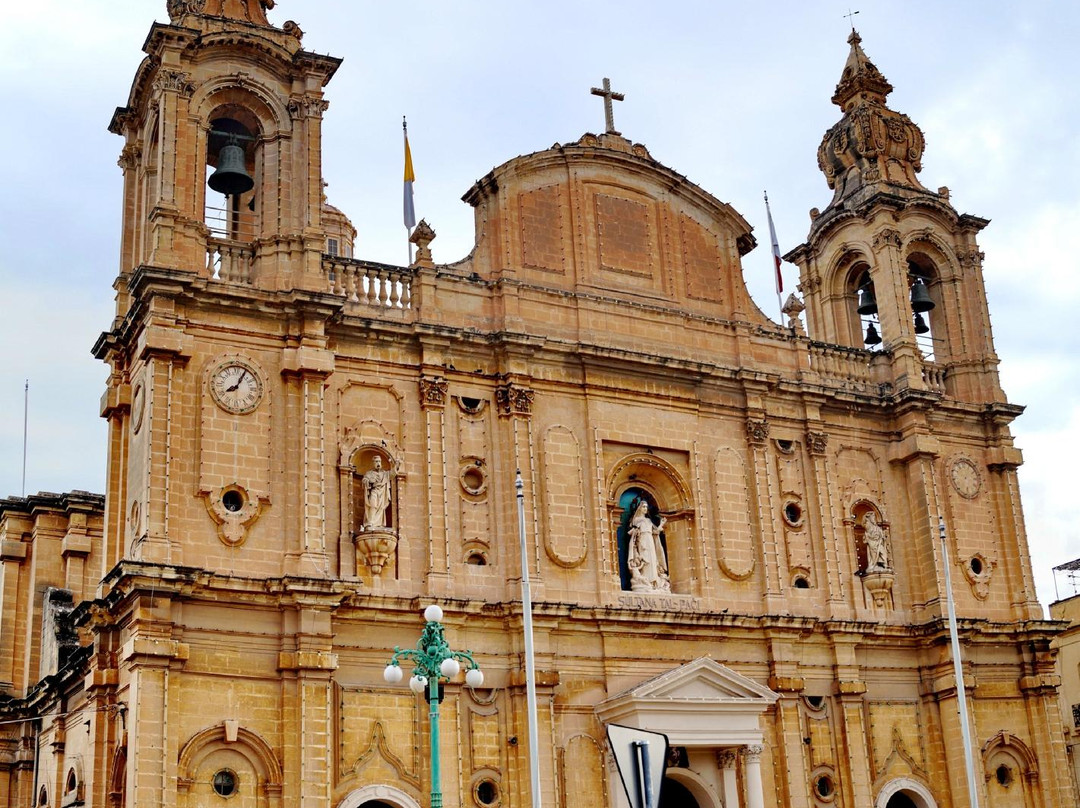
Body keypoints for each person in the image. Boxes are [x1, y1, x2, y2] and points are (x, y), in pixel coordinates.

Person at [627, 500, 670, 593]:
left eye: (646, 507)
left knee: (653, 560)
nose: (645, 509)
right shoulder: (637, 520)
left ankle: (653, 583)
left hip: (650, 541)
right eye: (643, 507)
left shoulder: (648, 520)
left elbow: (656, 532)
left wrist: (662, 524)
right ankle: (646, 580)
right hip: (643, 541)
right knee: (645, 560)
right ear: (639, 508)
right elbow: (634, 532)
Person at [362, 456, 392, 528]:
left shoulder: (384, 473)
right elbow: (364, 480)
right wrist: (369, 481)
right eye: (376, 461)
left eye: (379, 461)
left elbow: (392, 474)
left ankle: (379, 524)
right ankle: (370, 522)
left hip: (382, 493)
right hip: (374, 491)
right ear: (373, 463)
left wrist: (397, 465)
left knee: (381, 508)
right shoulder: (369, 473)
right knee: (373, 505)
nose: (378, 463)